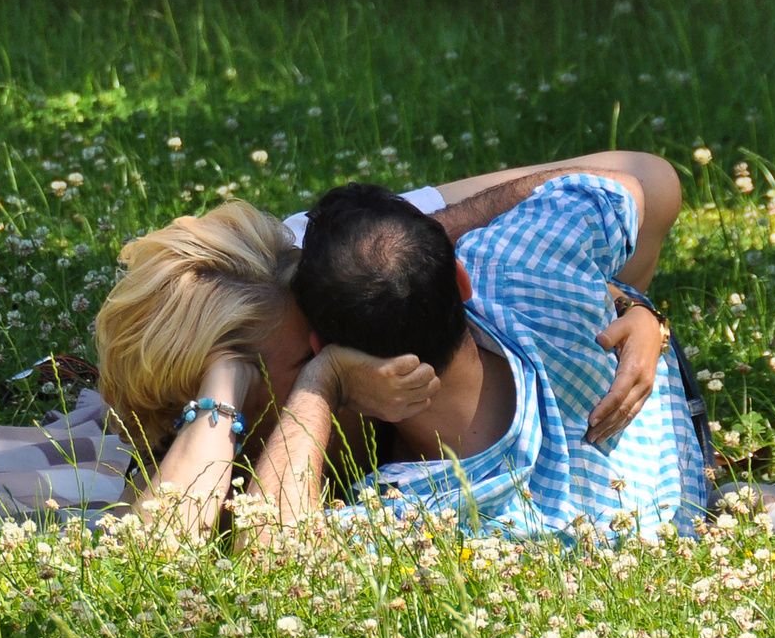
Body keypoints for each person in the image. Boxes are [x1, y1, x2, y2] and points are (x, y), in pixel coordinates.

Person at [95, 151, 688, 539]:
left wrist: (416, 253)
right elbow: (160, 560)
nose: (348, 348)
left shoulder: (333, 295)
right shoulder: (197, 448)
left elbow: (647, 179)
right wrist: (230, 385)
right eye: (304, 358)